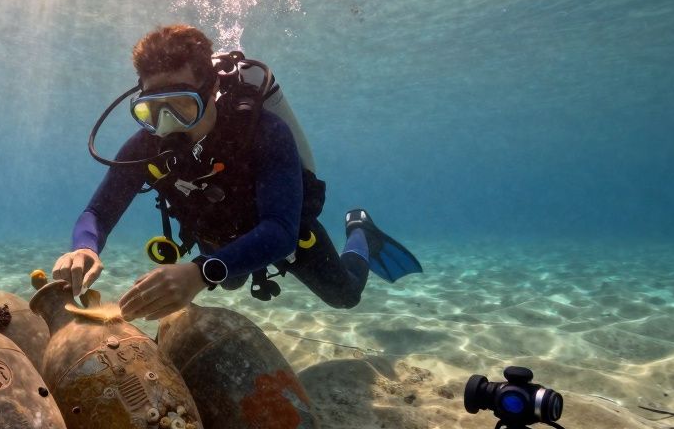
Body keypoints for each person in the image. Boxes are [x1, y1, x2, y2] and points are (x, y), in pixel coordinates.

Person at [53, 24, 421, 321]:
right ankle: (222, 267)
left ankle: (361, 232)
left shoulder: (264, 133)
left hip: (282, 233)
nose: (168, 125)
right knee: (230, 280)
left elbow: (280, 232)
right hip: (218, 242)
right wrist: (84, 249)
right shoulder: (146, 146)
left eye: (182, 106)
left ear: (212, 89)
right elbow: (98, 213)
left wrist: (199, 272)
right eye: (153, 110)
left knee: (345, 296)